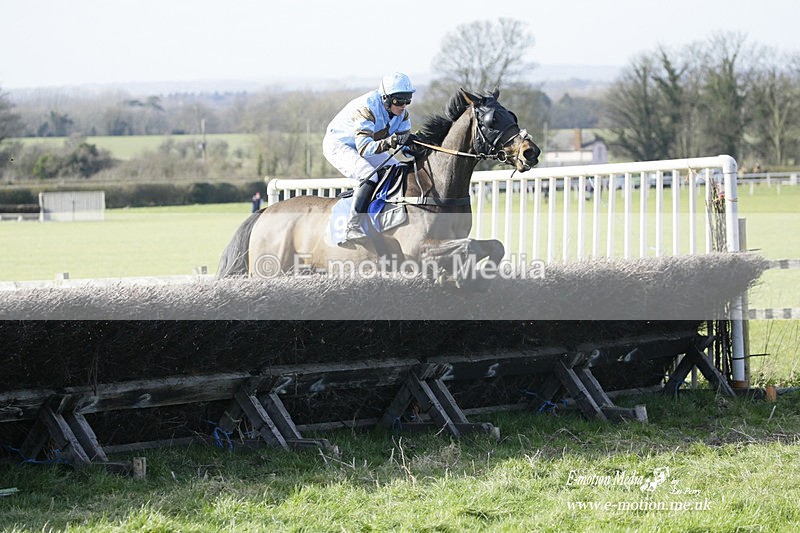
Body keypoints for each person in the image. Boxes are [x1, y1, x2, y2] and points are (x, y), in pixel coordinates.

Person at [323, 72, 417, 248]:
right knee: (369, 174)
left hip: (366, 144)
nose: (403, 105)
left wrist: (420, 145)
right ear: (386, 99)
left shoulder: (402, 114)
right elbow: (365, 149)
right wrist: (392, 141)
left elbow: (406, 149)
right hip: (340, 144)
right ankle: (352, 226)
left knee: (397, 170)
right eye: (399, 101)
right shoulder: (367, 108)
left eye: (407, 100)